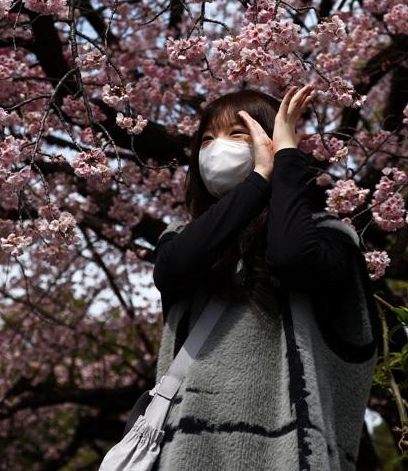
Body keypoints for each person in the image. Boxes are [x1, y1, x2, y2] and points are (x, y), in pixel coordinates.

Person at [150, 83, 380, 471]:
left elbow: (292, 258)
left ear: (270, 141)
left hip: (289, 446)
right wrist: (258, 179)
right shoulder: (181, 242)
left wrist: (286, 161)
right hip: (190, 447)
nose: (217, 148)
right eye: (206, 140)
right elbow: (173, 270)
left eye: (237, 134)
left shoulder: (330, 239)